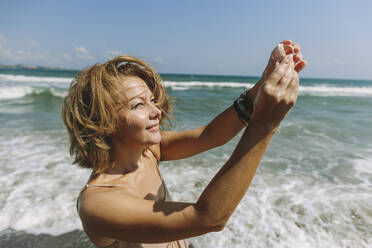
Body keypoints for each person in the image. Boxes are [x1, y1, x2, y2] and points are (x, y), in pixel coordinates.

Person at [62, 40, 306, 248]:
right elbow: (208, 218)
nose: (156, 111)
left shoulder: (147, 152)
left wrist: (260, 87)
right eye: (138, 105)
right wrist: (264, 125)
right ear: (101, 121)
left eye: (152, 100)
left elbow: (210, 135)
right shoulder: (98, 203)